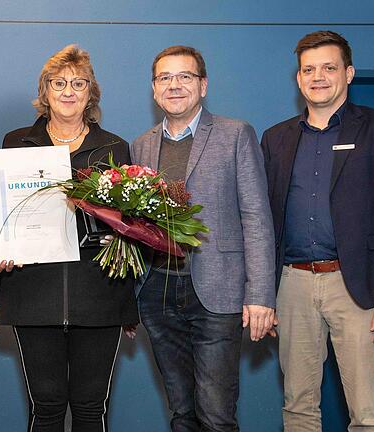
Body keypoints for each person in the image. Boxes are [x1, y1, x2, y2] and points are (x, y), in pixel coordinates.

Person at [261, 30, 374, 431]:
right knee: (298, 407)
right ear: (298, 79)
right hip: (291, 285)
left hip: (360, 288)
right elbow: (263, 222)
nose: (318, 76)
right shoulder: (276, 138)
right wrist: (264, 293)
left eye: (329, 67)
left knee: (366, 412)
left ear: (348, 73)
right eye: (308, 69)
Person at [0, 45, 139, 432]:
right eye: (59, 83)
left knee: (92, 409)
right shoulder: (16, 143)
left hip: (99, 296)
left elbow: (130, 231)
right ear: (45, 90)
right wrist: (3, 250)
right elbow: (3, 216)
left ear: (91, 93)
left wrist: (126, 303)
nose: (68, 91)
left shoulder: (114, 147)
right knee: (46, 409)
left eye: (79, 83)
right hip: (32, 295)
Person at [130, 46, 276, 431]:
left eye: (185, 77)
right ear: (154, 88)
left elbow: (257, 217)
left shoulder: (235, 134)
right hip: (157, 293)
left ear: (203, 84)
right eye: (165, 78)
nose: (174, 85)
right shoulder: (141, 145)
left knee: (215, 414)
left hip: (217, 292)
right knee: (181, 412)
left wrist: (260, 294)